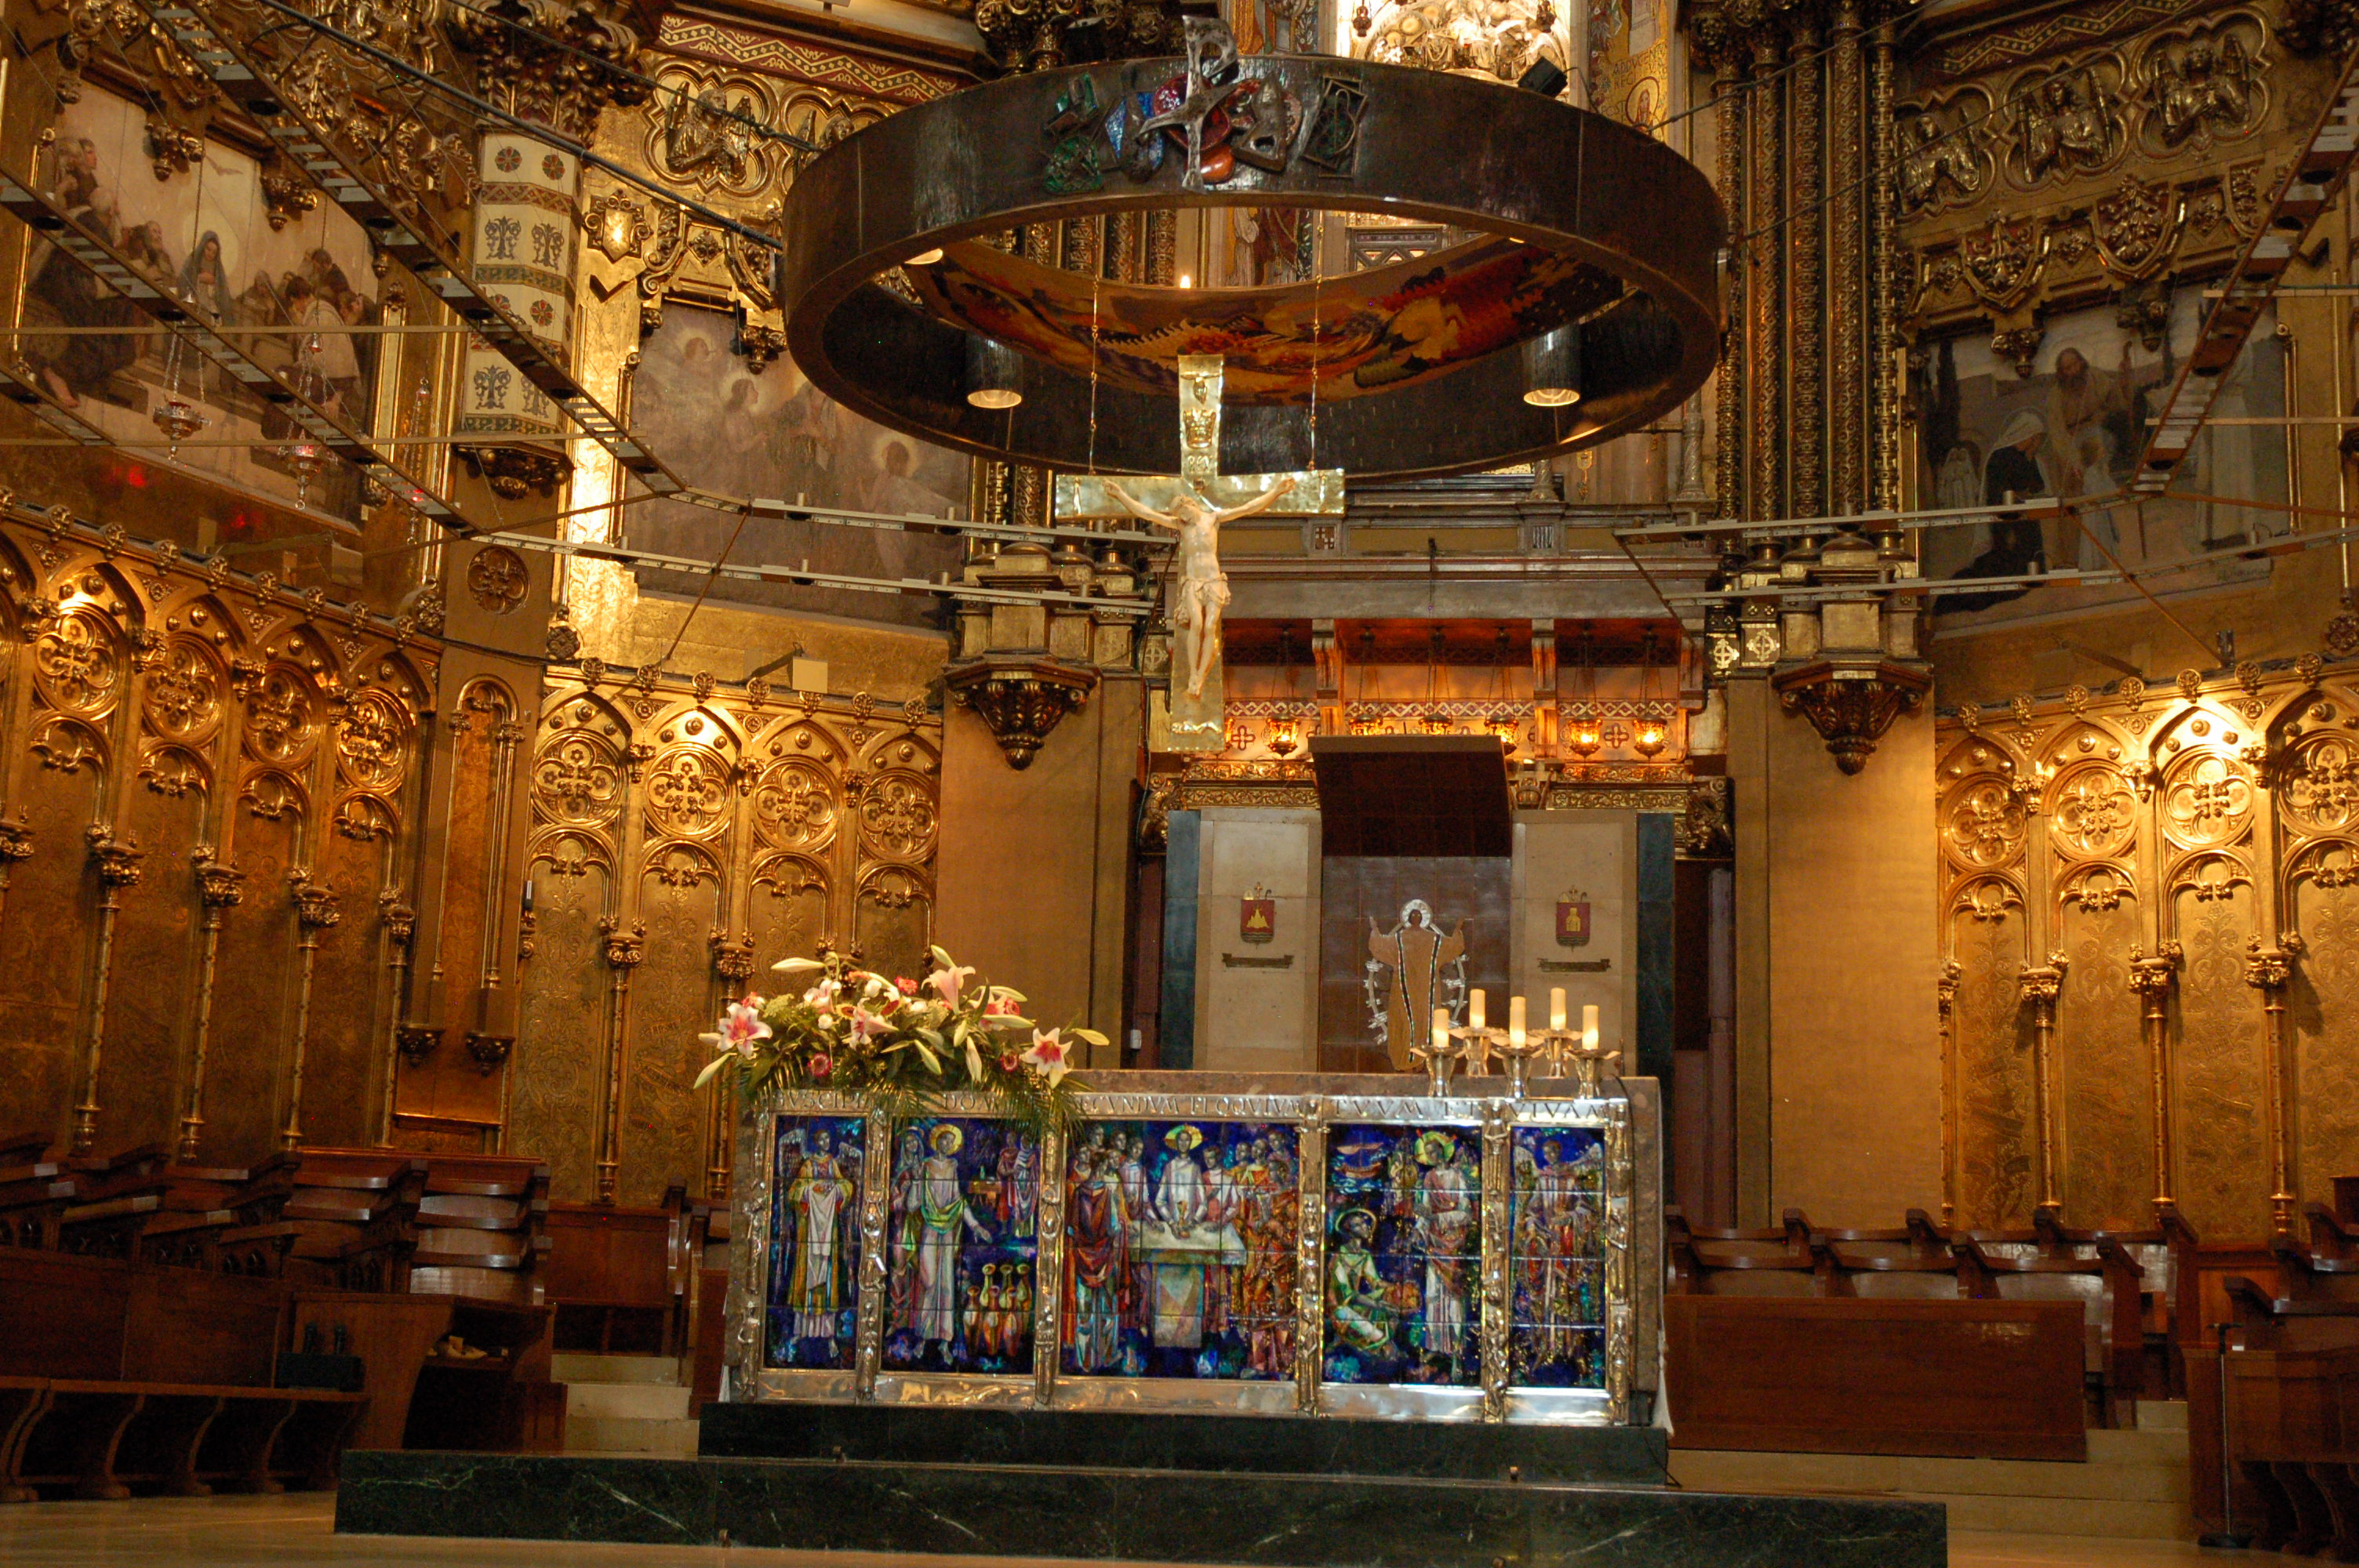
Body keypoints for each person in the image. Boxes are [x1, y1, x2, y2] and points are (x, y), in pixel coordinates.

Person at [1102, 474, 1297, 701]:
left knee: (1210, 626)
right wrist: (1120, 495)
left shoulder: (1213, 519)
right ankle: (1193, 674)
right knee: (1196, 623)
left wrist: (1277, 491)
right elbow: (1147, 513)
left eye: (1182, 512)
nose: (1181, 518)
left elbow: (1249, 507)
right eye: (1178, 515)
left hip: (1213, 581)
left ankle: (1201, 676)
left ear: (1190, 505)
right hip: (1193, 583)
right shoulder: (1180, 525)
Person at [781, 1128, 853, 1345]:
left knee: (828, 1273)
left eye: (827, 1138)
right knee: (807, 1274)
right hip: (810, 1229)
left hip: (828, 1229)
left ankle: (828, 1334)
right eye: (821, 1139)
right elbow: (794, 1192)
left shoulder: (833, 1165)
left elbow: (846, 1186)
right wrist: (812, 1189)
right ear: (815, 1142)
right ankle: (802, 1329)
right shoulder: (808, 1165)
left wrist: (835, 1188)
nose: (825, 1141)